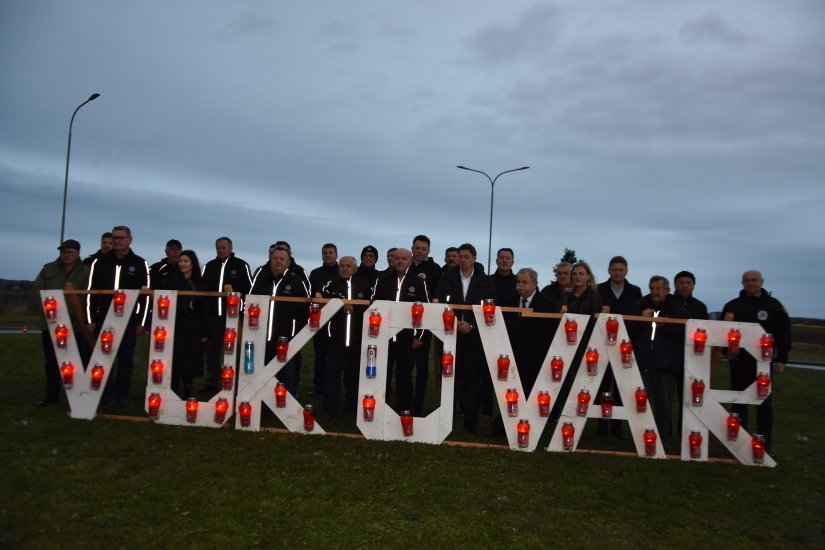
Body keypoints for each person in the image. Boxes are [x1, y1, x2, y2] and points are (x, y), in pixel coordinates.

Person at [721, 269, 791, 455]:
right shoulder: (733, 306)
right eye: (747, 280)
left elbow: (784, 334)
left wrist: (781, 358)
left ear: (761, 281)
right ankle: (738, 444)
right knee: (738, 402)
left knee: (764, 403)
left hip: (763, 364)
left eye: (754, 280)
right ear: (742, 282)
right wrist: (726, 352)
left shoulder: (774, 306)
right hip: (739, 362)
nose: (750, 283)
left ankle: (764, 444)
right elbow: (721, 332)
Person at [434, 243, 495, 434]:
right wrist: (455, 323)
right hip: (451, 334)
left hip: (475, 337)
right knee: (449, 378)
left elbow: (490, 305)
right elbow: (439, 301)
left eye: (466, 256)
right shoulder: (447, 277)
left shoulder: (485, 281)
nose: (462, 260)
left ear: (474, 258)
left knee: (471, 380)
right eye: (460, 256)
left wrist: (471, 325)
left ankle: (470, 421)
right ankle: (446, 420)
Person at [86, 225, 150, 407]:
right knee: (102, 359)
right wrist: (91, 318)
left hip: (129, 320)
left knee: (126, 359)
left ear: (130, 240)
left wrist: (142, 322)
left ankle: (122, 395)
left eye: (121, 238)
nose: (117, 241)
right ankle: (103, 395)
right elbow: (91, 292)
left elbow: (146, 296)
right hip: (104, 318)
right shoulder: (100, 262)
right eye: (114, 238)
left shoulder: (139, 263)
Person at [627, 276, 688, 453]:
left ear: (667, 290)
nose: (655, 292)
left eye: (659, 289)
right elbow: (629, 329)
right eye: (652, 288)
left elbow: (684, 333)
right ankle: (640, 438)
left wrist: (665, 325)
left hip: (666, 365)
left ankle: (664, 439)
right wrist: (640, 319)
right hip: (643, 362)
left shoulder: (677, 309)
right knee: (640, 404)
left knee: (663, 405)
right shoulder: (640, 306)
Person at [371, 247, 428, 413]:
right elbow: (373, 306)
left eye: (404, 258)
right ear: (392, 260)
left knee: (404, 375)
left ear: (410, 261)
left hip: (407, 338)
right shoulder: (382, 280)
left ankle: (404, 408)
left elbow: (426, 309)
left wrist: (420, 336)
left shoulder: (418, 282)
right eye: (397, 258)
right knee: (383, 374)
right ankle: (382, 406)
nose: (400, 261)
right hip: (384, 337)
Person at [33, 239, 90, 405]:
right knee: (51, 361)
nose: (66, 255)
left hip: (75, 325)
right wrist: (48, 311)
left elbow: (87, 297)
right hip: (51, 324)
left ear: (78, 253)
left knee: (75, 361)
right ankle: (52, 394)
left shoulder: (86, 271)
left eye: (70, 252)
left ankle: (77, 395)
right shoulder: (48, 269)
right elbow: (38, 290)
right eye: (64, 252)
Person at [249, 248, 310, 396]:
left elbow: (305, 309)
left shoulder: (297, 282)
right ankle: (264, 405)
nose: (278, 261)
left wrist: (296, 332)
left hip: (286, 338)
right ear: (270, 259)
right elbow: (250, 302)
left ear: (288, 262)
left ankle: (289, 403)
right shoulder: (260, 279)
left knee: (288, 373)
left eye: (282, 259)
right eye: (275, 258)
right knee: (263, 372)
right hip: (262, 337)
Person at [551, 261, 603, 423]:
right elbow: (557, 316)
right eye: (575, 274)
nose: (577, 277)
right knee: (560, 379)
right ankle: (556, 412)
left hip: (584, 346)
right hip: (563, 344)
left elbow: (596, 324)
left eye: (581, 274)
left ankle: (571, 415)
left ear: (588, 276)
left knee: (577, 381)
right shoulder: (565, 295)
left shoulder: (594, 297)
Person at [596, 256, 642, 438]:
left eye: (620, 270)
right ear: (609, 270)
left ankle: (618, 425)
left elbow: (637, 317)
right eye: (614, 269)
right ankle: (602, 425)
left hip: (625, 345)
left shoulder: (635, 291)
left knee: (623, 387)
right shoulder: (599, 289)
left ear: (626, 271)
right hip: (603, 343)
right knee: (603, 385)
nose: (617, 273)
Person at [321, 256, 371, 419]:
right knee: (331, 377)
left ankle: (352, 409)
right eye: (342, 265)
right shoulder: (331, 285)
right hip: (336, 341)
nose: (344, 268)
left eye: (348, 266)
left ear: (355, 269)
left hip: (358, 342)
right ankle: (329, 410)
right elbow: (324, 294)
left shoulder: (365, 286)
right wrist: (341, 301)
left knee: (354, 377)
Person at [200, 237, 253, 392]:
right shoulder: (209, 266)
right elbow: (203, 288)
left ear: (230, 248)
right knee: (212, 349)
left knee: (235, 349)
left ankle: (236, 380)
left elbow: (249, 289)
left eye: (223, 247)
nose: (221, 250)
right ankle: (213, 380)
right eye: (218, 247)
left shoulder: (241, 265)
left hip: (234, 315)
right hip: (213, 315)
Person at [160, 250, 207, 399]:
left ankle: (187, 391)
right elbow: (168, 302)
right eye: (180, 261)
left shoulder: (200, 282)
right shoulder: (170, 281)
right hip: (176, 325)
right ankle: (172, 389)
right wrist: (188, 306)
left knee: (190, 359)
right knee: (174, 358)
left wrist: (205, 331)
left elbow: (206, 307)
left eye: (186, 261)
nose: (182, 264)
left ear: (192, 263)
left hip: (194, 327)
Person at [508, 268, 555, 396]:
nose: (520, 285)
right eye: (518, 282)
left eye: (524, 282)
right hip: (513, 357)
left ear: (535, 283)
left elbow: (549, 333)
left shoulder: (547, 305)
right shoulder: (509, 302)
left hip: (536, 359)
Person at [410, 235, 441, 416]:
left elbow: (436, 297)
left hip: (424, 324)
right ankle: (403, 402)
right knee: (404, 366)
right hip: (403, 323)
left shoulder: (434, 269)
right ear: (412, 248)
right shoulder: (405, 265)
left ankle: (418, 405)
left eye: (423, 248)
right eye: (417, 248)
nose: (420, 251)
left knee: (422, 368)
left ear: (428, 251)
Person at [308, 243, 340, 397]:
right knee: (319, 354)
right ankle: (318, 386)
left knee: (335, 357)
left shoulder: (341, 272)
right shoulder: (315, 273)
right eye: (325, 253)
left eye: (330, 252)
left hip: (337, 321)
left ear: (336, 255)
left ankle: (334, 388)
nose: (328, 255)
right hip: (319, 319)